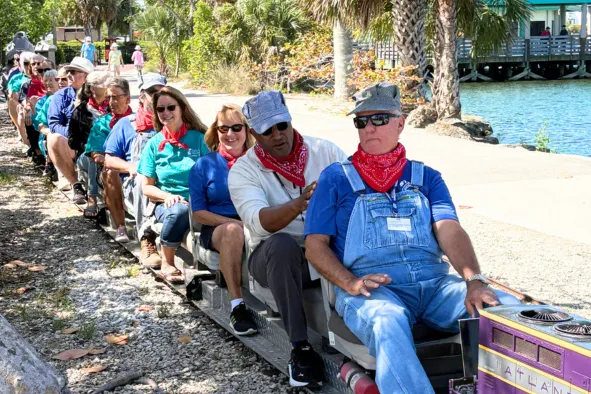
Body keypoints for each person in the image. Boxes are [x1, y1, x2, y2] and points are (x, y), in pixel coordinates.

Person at [304, 82, 520, 393]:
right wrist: (350, 283)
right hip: (372, 289)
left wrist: (474, 279)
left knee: (504, 308)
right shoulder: (335, 179)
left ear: (401, 122)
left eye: (378, 118)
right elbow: (314, 246)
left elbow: (449, 229)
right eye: (361, 120)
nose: (368, 127)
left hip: (435, 286)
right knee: (388, 320)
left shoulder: (426, 178)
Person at [228, 91, 346, 388]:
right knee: (283, 245)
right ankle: (300, 348)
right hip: (272, 257)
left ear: (290, 120)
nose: (278, 135)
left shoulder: (326, 152)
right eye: (267, 131)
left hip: (324, 246)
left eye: (282, 125)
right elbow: (259, 221)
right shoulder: (244, 170)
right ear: (254, 133)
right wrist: (300, 203)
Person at [189, 104, 257, 336]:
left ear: (247, 130)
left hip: (255, 219)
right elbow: (198, 212)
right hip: (219, 225)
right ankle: (237, 306)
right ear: (215, 132)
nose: (230, 134)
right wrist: (238, 224)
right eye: (223, 128)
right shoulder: (204, 165)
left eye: (236, 127)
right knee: (232, 232)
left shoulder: (259, 162)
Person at [137, 86, 209, 282]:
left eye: (171, 107)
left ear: (182, 108)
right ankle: (167, 261)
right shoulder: (154, 144)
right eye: (161, 109)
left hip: (199, 200)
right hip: (167, 203)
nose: (166, 113)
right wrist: (167, 196)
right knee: (178, 211)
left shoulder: (200, 139)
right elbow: (146, 187)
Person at [104, 73, 167, 266]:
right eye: (151, 92)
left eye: (161, 92)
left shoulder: (174, 122)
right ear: (142, 96)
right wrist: (130, 166)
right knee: (142, 179)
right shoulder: (127, 124)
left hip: (166, 178)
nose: (156, 96)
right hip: (135, 182)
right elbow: (109, 158)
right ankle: (146, 239)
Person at [83, 78, 133, 236]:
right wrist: (116, 163)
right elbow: (95, 153)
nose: (111, 101)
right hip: (109, 168)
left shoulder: (138, 119)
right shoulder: (102, 123)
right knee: (111, 172)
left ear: (127, 98)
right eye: (109, 97)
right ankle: (121, 227)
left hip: (136, 167)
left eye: (116, 97)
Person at [47, 56, 94, 202]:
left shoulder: (97, 94)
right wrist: (74, 135)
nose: (68, 75)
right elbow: (53, 124)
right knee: (53, 138)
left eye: (73, 72)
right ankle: (76, 184)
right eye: (68, 72)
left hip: (96, 141)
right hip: (72, 143)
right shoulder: (60, 96)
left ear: (86, 75)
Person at [67, 71, 110, 214]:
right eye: (104, 83)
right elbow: (72, 140)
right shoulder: (81, 111)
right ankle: (92, 198)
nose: (108, 86)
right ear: (92, 88)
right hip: (85, 156)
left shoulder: (112, 107)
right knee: (94, 155)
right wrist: (89, 147)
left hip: (111, 152)